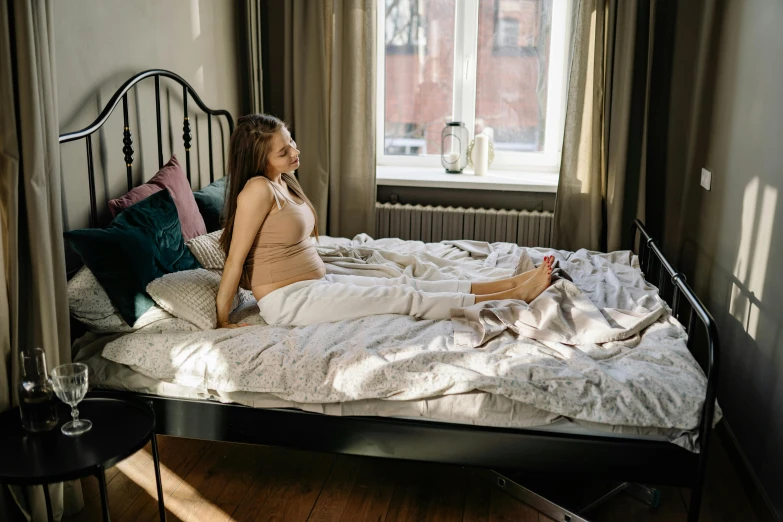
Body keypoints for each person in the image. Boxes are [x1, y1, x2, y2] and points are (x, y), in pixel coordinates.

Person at [216, 114, 552, 328]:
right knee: (401, 297)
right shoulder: (257, 190)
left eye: (290, 142)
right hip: (289, 301)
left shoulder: (282, 181)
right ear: (259, 159)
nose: (295, 152)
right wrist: (222, 320)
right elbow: (233, 261)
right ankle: (514, 296)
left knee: (407, 283)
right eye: (283, 151)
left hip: (315, 285)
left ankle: (509, 285)